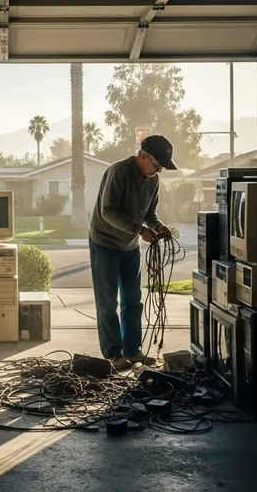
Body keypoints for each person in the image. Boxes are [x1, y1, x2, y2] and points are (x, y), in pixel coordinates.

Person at [88, 134, 177, 370]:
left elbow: (149, 213)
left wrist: (157, 226)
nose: (158, 171)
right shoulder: (118, 172)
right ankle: (113, 354)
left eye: (162, 168)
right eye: (157, 165)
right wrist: (140, 230)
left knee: (133, 300)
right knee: (108, 302)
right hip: (104, 243)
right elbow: (108, 211)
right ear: (143, 156)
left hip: (130, 246)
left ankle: (133, 351)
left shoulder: (153, 180)